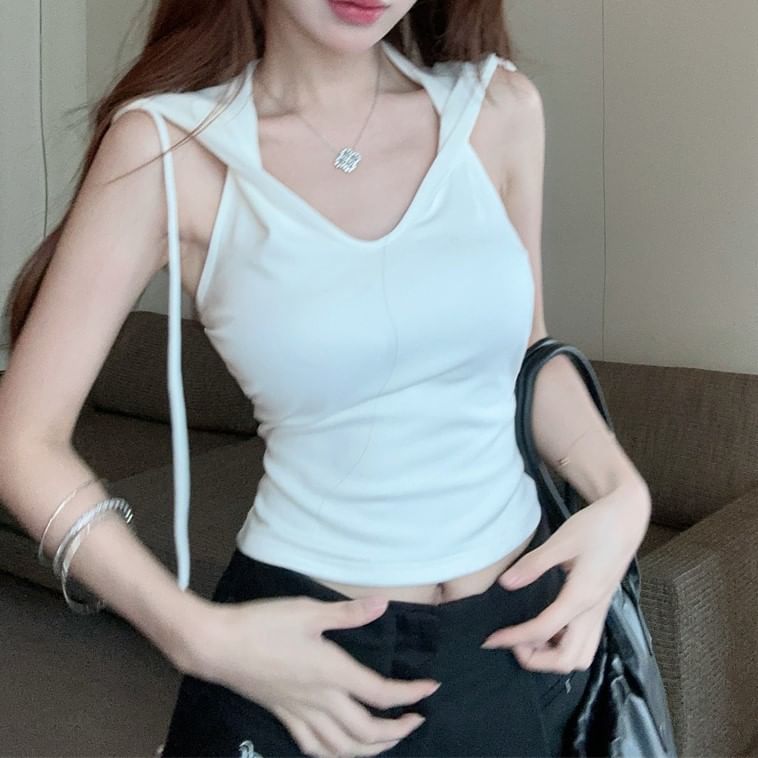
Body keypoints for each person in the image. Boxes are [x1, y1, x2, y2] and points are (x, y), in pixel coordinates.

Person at [0, 1, 653, 756]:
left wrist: (622, 492)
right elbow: (22, 441)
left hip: (519, 644)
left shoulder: (500, 109)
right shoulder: (171, 149)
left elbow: (526, 351)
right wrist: (194, 636)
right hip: (306, 652)